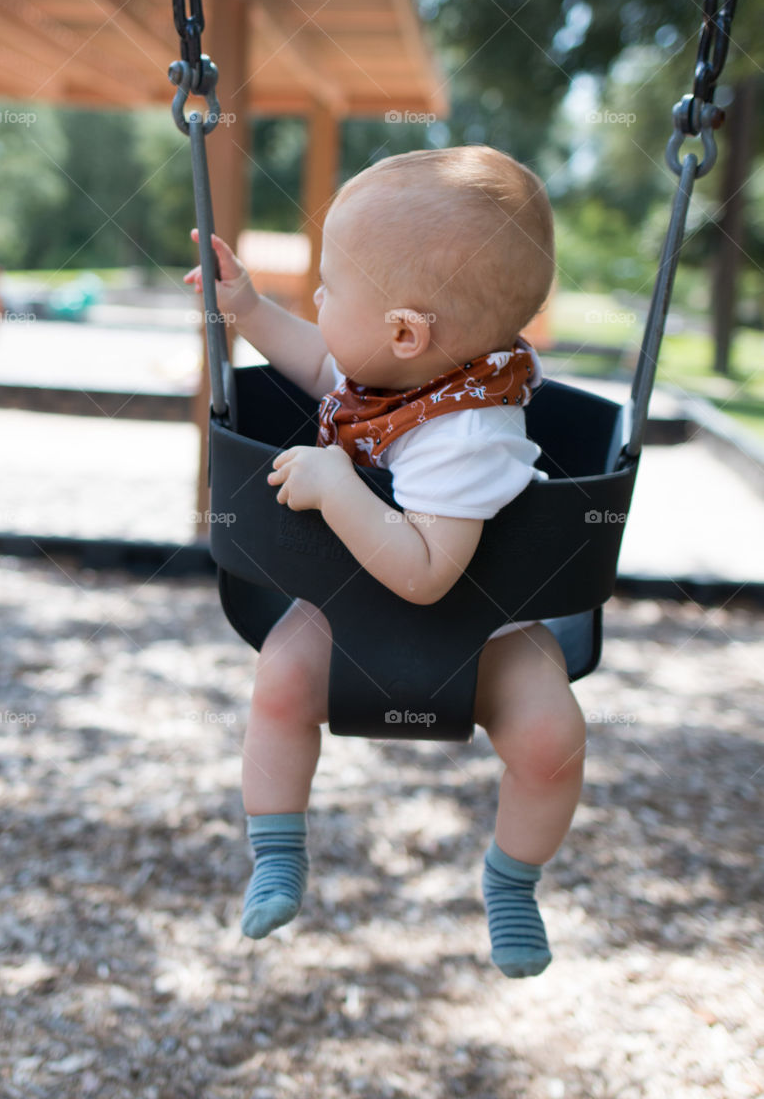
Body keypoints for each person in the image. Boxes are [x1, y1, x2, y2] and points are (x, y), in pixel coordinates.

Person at [184, 146, 586, 978]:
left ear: (404, 332)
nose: (317, 298)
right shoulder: (398, 372)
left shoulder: (466, 434)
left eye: (329, 287)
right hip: (349, 612)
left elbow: (426, 573)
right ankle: (277, 854)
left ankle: (512, 881)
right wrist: (247, 308)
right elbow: (321, 364)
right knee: (280, 684)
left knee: (551, 740)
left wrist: (337, 486)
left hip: (487, 636)